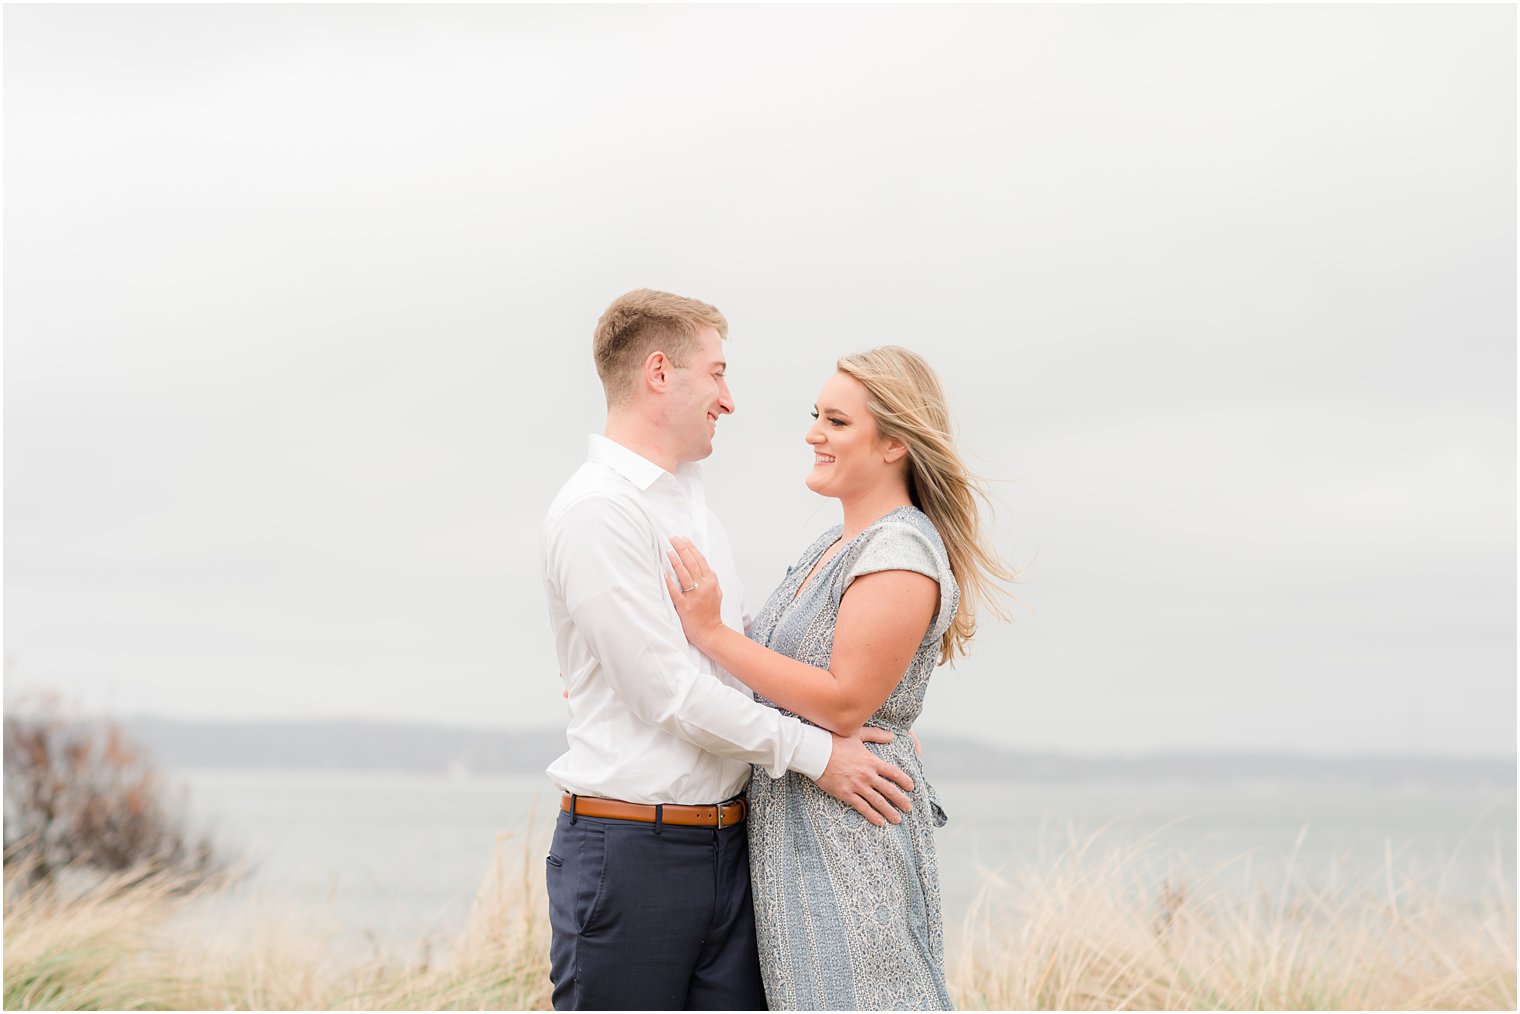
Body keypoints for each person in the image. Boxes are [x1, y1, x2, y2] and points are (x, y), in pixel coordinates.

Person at [541, 289, 918, 1012]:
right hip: (630, 854)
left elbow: (739, 659)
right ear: (660, 373)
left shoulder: (690, 507)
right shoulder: (599, 511)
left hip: (733, 853)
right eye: (716, 373)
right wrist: (820, 754)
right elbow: (671, 694)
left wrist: (857, 724)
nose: (729, 399)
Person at [664, 346, 1017, 1010]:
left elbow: (847, 702)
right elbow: (784, 680)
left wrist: (710, 633)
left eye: (836, 421)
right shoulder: (835, 545)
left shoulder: (899, 553)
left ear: (893, 445)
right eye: (815, 415)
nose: (813, 434)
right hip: (800, 841)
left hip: (849, 848)